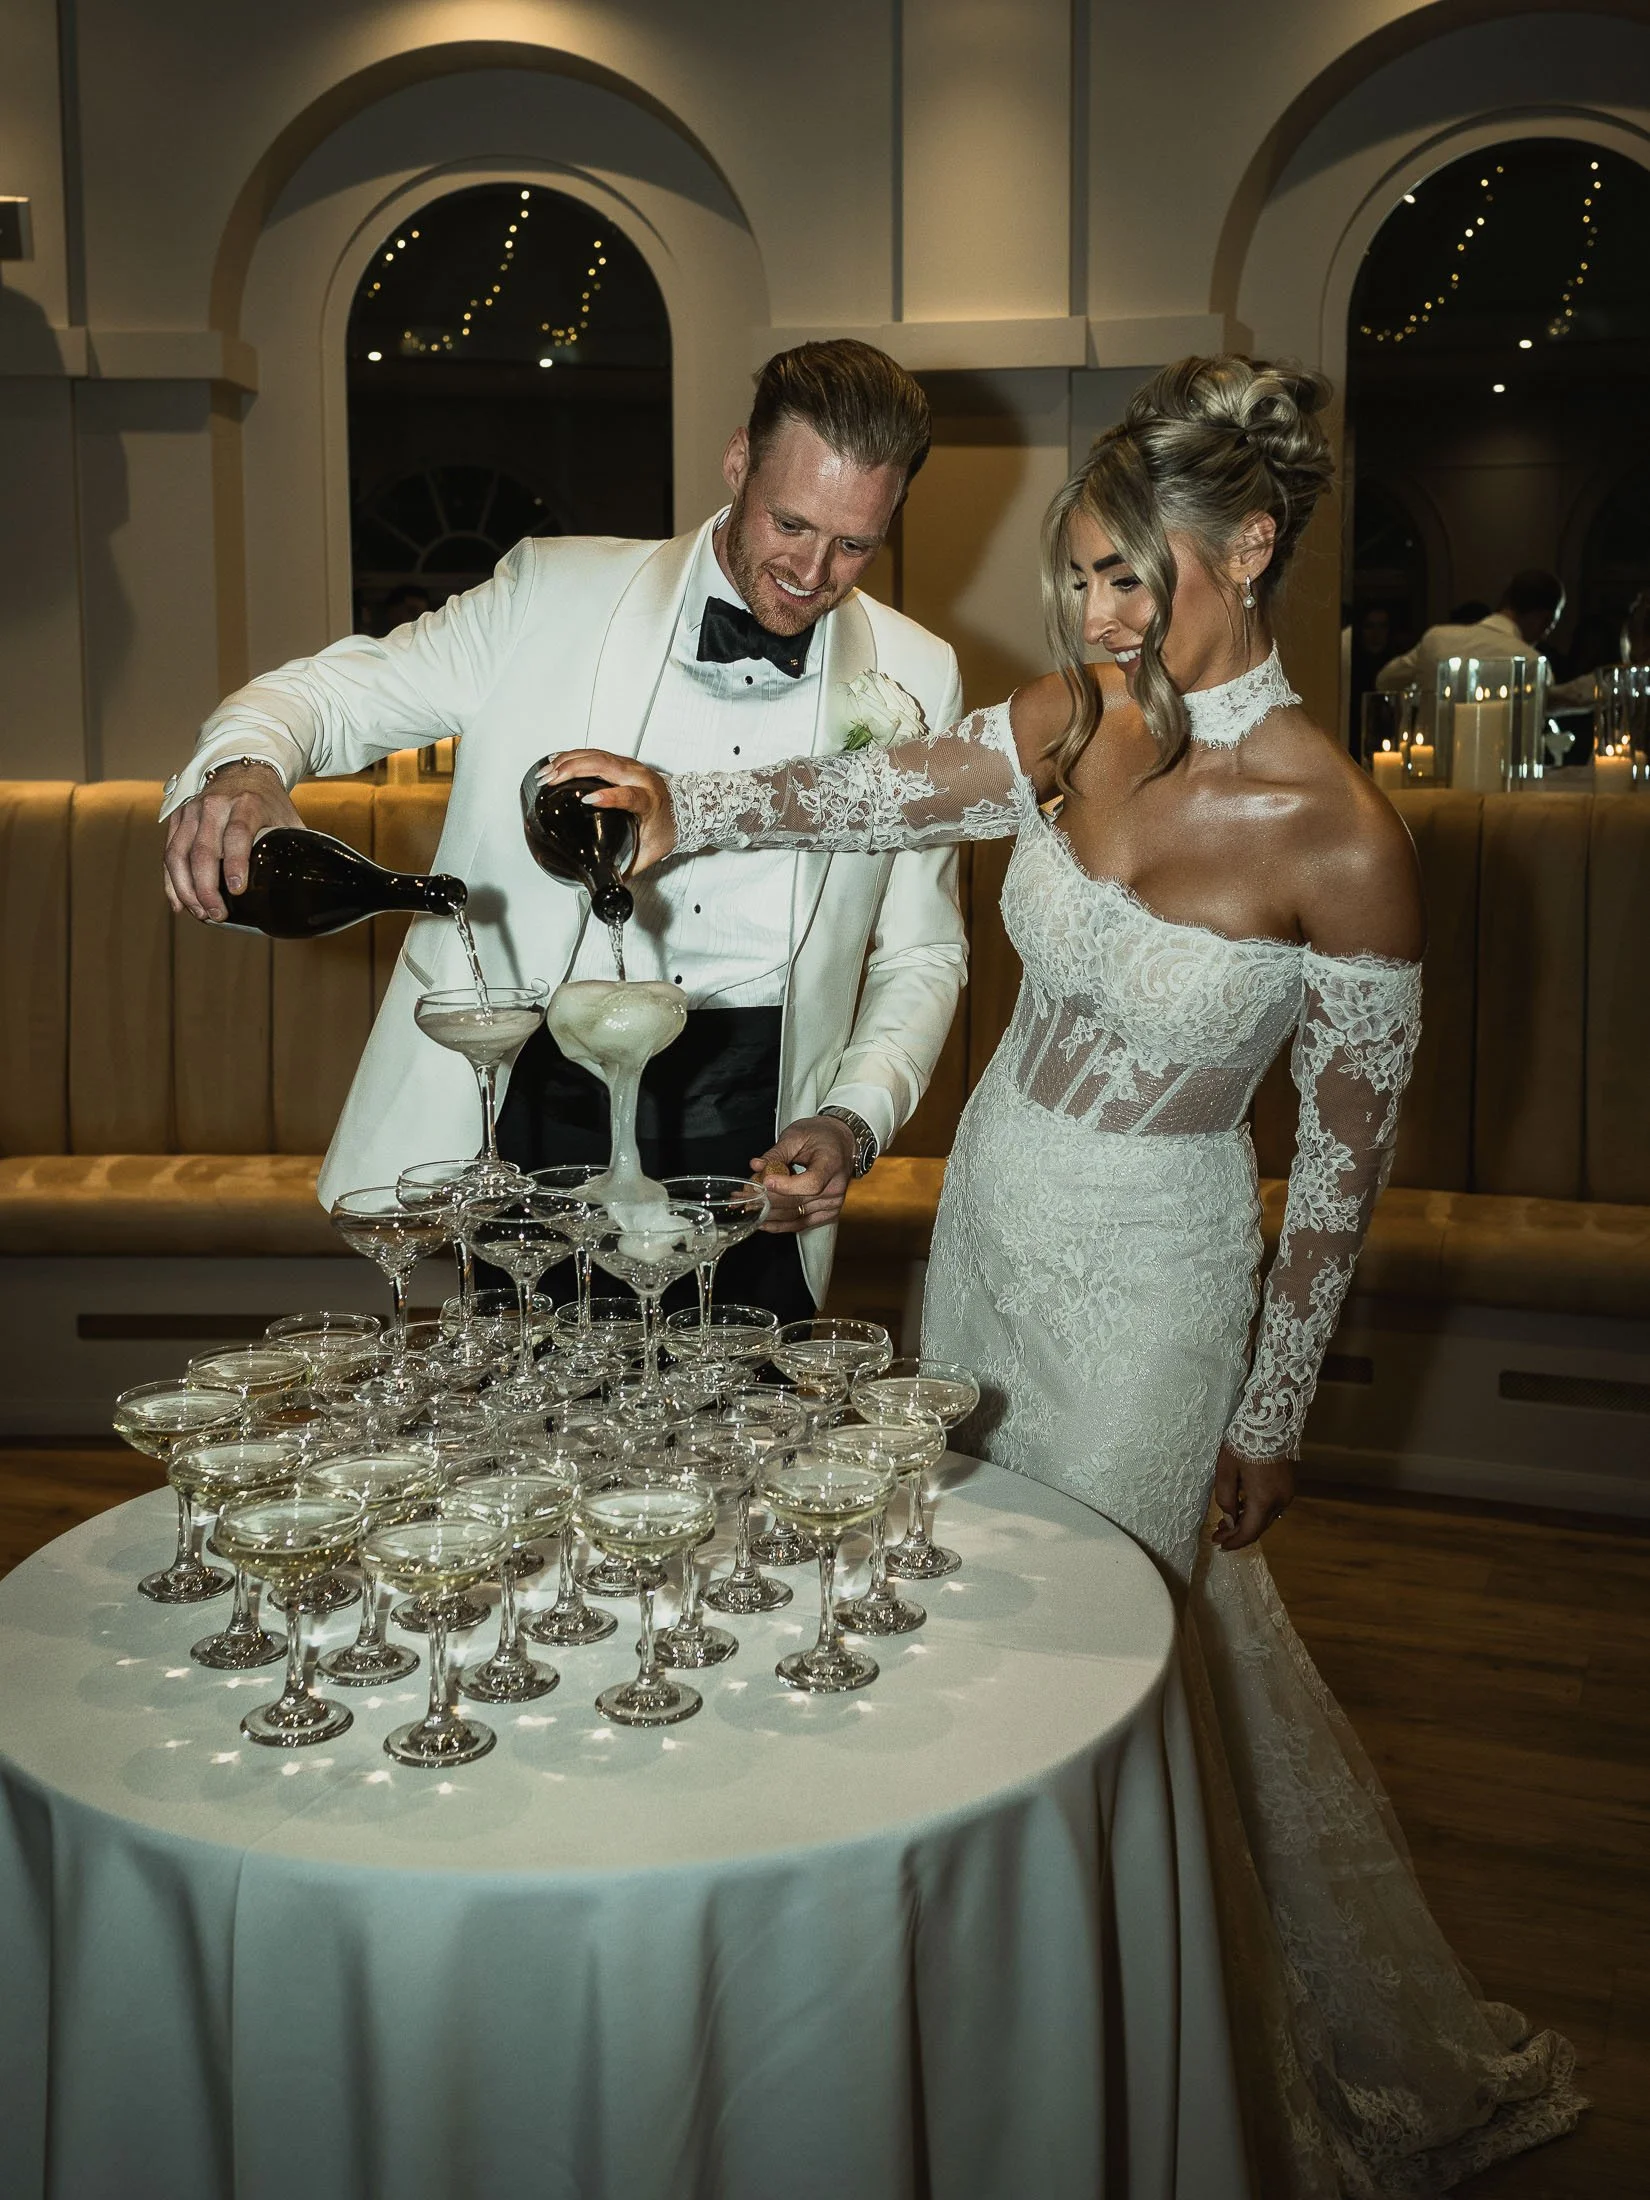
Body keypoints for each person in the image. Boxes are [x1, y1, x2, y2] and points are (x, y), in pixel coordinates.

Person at [549, 356, 1584, 2196]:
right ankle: (1004, 2029)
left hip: (1156, 1286)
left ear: (1248, 547)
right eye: (1084, 576)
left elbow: (1340, 1173)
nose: (1105, 615)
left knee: (1104, 1669)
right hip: (991, 1241)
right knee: (982, 1625)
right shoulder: (1063, 721)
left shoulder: (1347, 839)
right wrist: (682, 802)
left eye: (1134, 574)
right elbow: (858, 800)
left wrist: (1273, 1414)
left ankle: (1139, 2075)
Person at [159, 341, 967, 1322]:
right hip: (542, 1096)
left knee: (745, 1447)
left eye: (854, 545)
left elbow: (923, 954)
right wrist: (242, 771)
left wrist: (854, 1118)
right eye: (789, 523)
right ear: (736, 463)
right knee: (533, 1428)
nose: (811, 573)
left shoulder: (917, 677)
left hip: (761, 1118)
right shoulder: (552, 594)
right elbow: (327, 694)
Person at [1375, 568, 1594, 715]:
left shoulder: (1437, 638)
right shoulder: (1531, 662)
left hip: (1430, 771)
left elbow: (1386, 681)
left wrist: (1424, 697)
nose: (1546, 634)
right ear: (1544, 618)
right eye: (1550, 624)